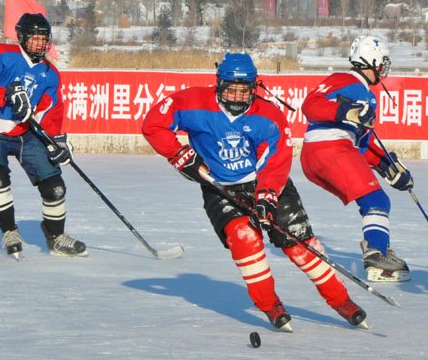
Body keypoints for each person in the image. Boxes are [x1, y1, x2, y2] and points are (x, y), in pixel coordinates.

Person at [142, 52, 368, 332]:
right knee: (244, 239)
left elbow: (277, 158)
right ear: (219, 84)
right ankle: (269, 304)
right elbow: (153, 123)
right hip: (219, 187)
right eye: (231, 89)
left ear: (254, 87)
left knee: (301, 247)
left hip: (266, 183)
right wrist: (179, 154)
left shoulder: (268, 114)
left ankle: (341, 301)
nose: (237, 97)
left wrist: (267, 196)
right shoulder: (192, 102)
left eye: (244, 90)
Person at [0, 12, 85, 261]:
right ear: (22, 37)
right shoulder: (2, 54)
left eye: (43, 39)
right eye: (34, 38)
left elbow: (52, 110)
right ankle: (9, 232)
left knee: (55, 188)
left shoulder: (50, 74)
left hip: (26, 132)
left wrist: (58, 142)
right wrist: (6, 95)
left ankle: (56, 237)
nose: (39, 44)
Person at [300, 35, 413, 282]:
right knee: (376, 200)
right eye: (382, 63)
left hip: (329, 153)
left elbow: (364, 144)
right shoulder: (343, 79)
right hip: (329, 148)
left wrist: (388, 165)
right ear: (369, 60)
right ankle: (376, 255)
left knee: (372, 199)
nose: (384, 69)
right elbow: (310, 105)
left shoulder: (367, 95)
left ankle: (378, 247)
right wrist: (344, 111)